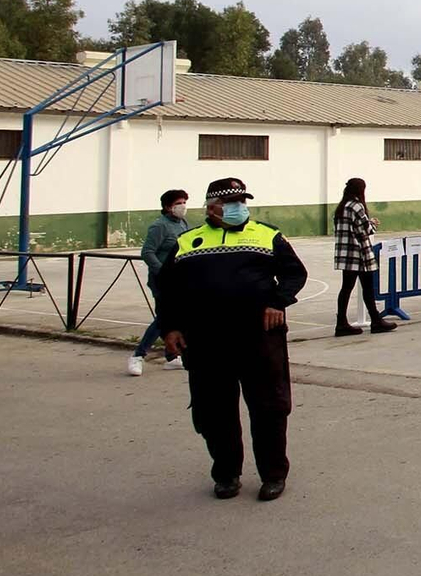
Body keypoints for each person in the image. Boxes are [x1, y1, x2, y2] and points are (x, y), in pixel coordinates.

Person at [159, 178, 308, 502]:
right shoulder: (188, 242)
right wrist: (170, 328)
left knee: (269, 408)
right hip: (206, 342)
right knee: (214, 411)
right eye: (231, 203)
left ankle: (273, 475)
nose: (239, 207)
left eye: (242, 201)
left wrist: (278, 301)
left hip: (259, 339)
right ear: (211, 207)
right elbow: (167, 290)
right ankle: (226, 474)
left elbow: (295, 272)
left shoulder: (267, 235)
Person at [128, 189, 190, 376]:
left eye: (185, 202)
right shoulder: (159, 226)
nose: (183, 206)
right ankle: (138, 355)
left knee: (175, 318)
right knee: (163, 319)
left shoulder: (182, 224)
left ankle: (171, 356)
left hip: (180, 281)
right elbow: (147, 252)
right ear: (167, 206)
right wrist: (163, 272)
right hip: (162, 281)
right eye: (179, 203)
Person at [332, 178, 397, 336]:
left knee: (346, 288)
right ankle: (376, 321)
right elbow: (366, 230)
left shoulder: (341, 207)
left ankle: (341, 322)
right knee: (368, 288)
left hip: (345, 254)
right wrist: (373, 223)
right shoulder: (357, 206)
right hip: (359, 254)